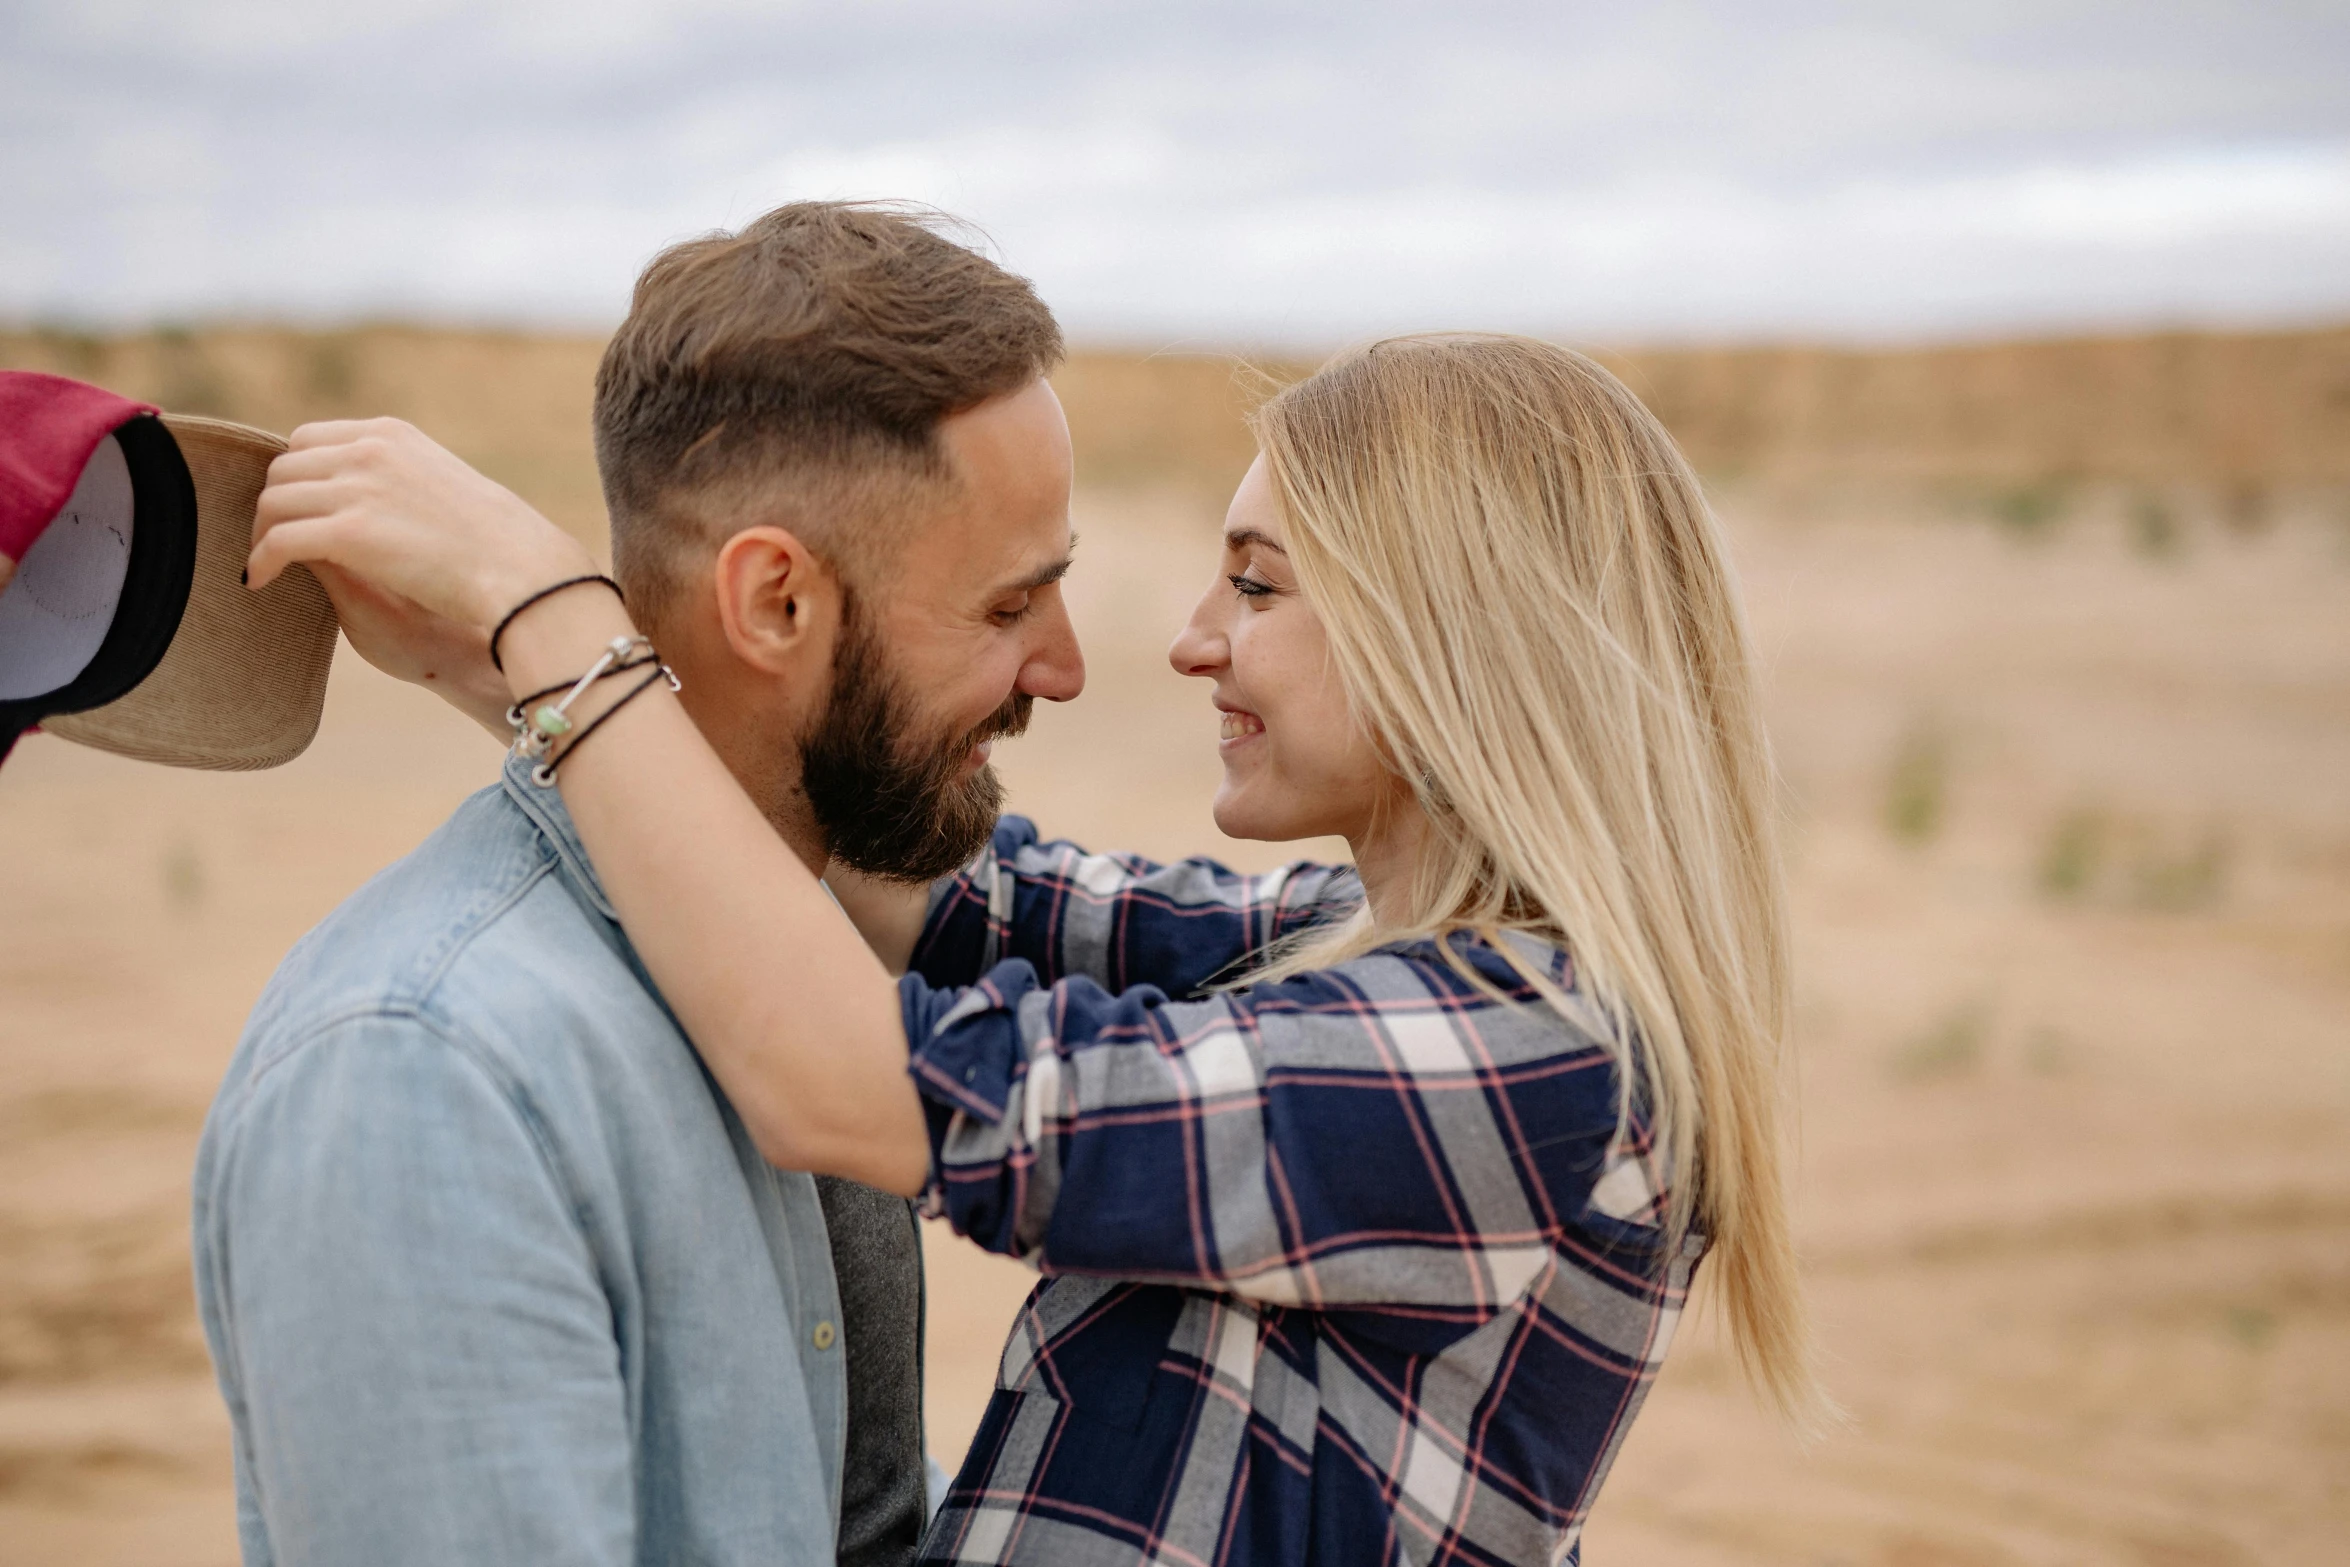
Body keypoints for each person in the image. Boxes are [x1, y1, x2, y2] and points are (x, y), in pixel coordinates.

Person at [255, 331, 1827, 1564]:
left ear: (1457, 633)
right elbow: (922, 883)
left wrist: (550, 614)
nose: (1190, 635)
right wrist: (500, 668)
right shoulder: (1348, 948)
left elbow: (856, 1079)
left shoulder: (1531, 1055)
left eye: (1258, 582)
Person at [192, 202, 1083, 1567]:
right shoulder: (424, 1067)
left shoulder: (806, 970)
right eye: (1009, 607)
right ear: (774, 603)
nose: (1064, 667)